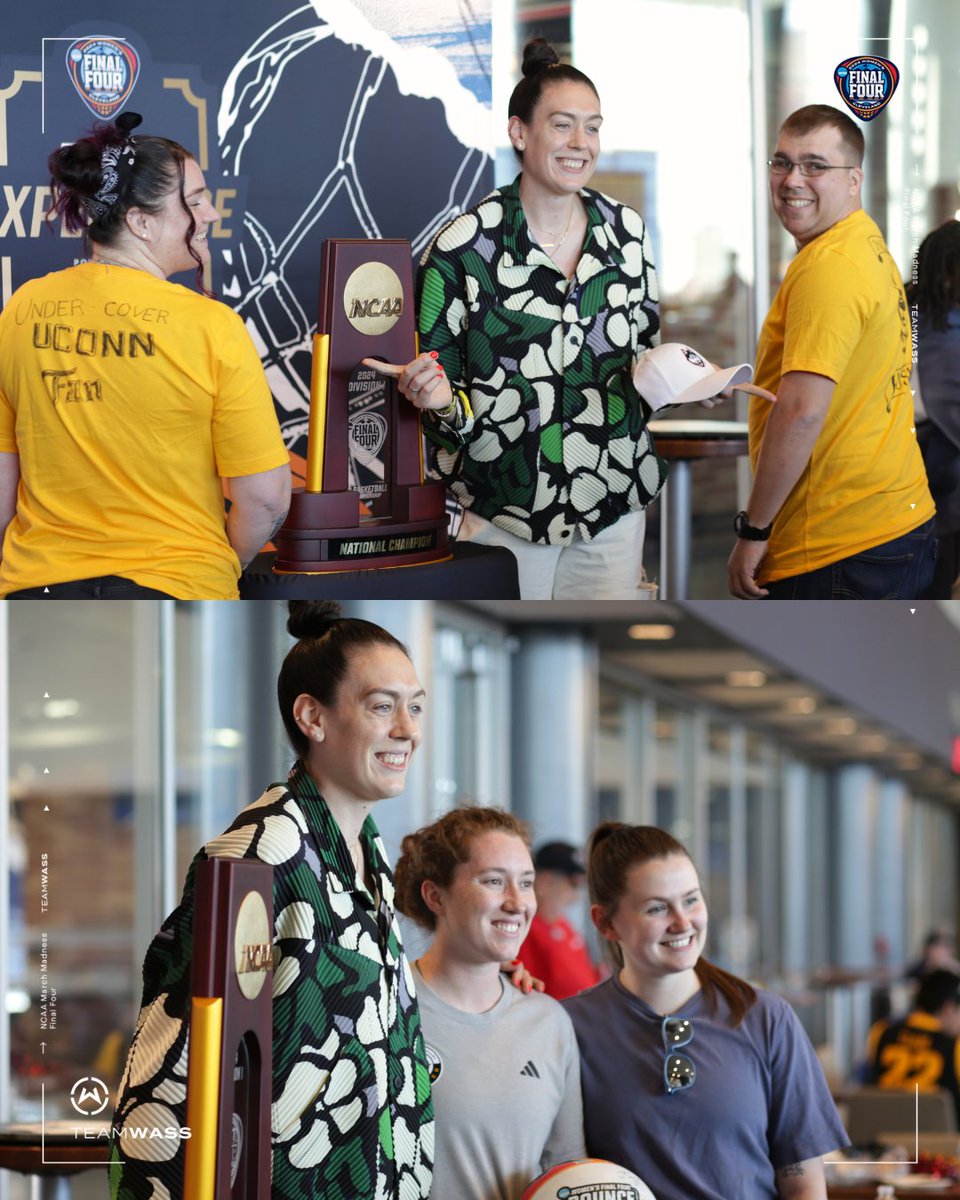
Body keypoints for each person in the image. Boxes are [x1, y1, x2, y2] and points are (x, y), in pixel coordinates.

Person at [110, 601, 434, 1200]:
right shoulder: (261, 855)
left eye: (415, 707)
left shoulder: (366, 850)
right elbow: (177, 1066)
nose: (408, 729)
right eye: (382, 706)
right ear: (313, 716)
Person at [364, 39, 674, 599]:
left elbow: (645, 356)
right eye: (562, 125)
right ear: (519, 133)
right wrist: (435, 399)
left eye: (593, 127)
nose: (581, 143)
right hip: (502, 508)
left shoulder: (627, 233)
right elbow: (442, 390)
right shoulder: (465, 246)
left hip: (613, 501)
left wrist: (687, 381)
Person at [0, 111, 290, 599]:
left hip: (34, 589)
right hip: (176, 589)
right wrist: (219, 563)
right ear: (139, 222)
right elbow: (265, 500)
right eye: (196, 202)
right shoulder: (212, 327)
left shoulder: (21, 309)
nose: (212, 215)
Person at [563, 823, 847, 1200]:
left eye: (692, 900)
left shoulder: (765, 1019)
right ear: (605, 923)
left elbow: (804, 1186)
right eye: (657, 908)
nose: (682, 923)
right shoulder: (570, 1027)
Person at [728, 104, 935, 600]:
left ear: (853, 179)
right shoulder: (864, 243)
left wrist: (754, 530)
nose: (792, 179)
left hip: (841, 541)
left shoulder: (830, 266)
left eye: (815, 166)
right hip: (890, 521)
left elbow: (801, 413)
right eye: (782, 163)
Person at [394, 807, 585, 1200]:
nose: (518, 902)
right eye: (494, 881)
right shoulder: (386, 1009)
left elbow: (567, 1170)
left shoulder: (547, 1022)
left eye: (527, 883)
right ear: (435, 896)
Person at [908, 220, 960, 598]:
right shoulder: (941, 331)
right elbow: (949, 405)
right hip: (939, 487)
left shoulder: (912, 314)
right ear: (946, 276)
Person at [865, 969, 960, 1127]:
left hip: (883, 1136)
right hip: (938, 1146)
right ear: (948, 1008)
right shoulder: (954, 1046)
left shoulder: (881, 1031)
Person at [518, 840, 602, 1000]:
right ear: (545, 882)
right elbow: (526, 994)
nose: (578, 894)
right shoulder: (526, 930)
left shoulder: (562, 924)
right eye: (574, 883)